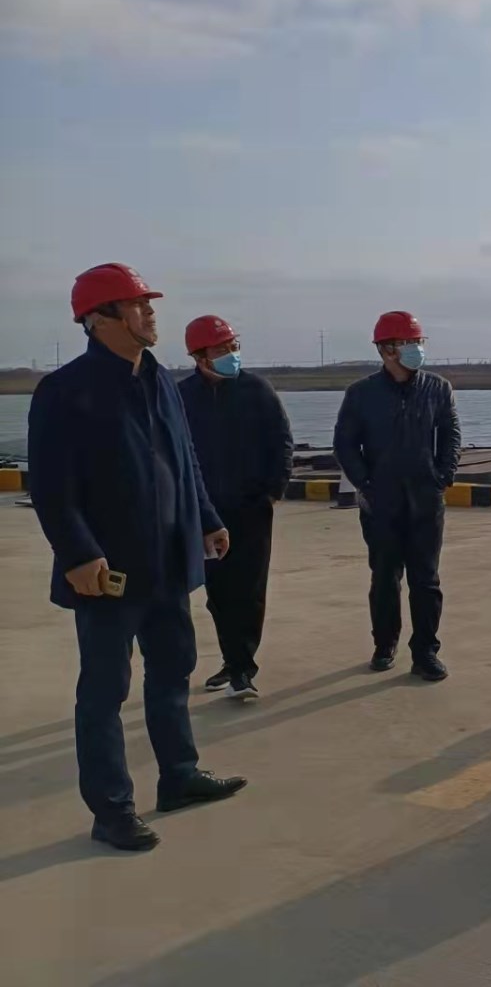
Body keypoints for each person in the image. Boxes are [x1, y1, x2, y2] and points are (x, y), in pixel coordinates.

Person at [27, 263, 247, 851]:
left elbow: (184, 458)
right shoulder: (64, 390)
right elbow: (50, 486)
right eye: (137, 304)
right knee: (105, 689)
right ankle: (112, 809)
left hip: (168, 560)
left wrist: (207, 518)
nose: (150, 313)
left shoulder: (160, 381)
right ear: (100, 319)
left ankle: (179, 776)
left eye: (149, 303)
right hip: (108, 571)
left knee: (173, 669)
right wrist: (78, 554)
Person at [333, 311, 460, 682]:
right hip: (381, 502)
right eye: (409, 343)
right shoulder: (361, 394)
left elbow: (450, 433)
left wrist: (444, 475)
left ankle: (426, 652)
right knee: (385, 577)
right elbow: (345, 444)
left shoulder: (438, 388)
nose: (416, 349)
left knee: (426, 580)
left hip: (426, 499)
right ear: (387, 350)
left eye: (419, 342)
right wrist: (365, 484)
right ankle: (384, 644)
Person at [178, 315, 294, 701]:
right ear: (199, 357)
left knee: (250, 588)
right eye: (222, 349)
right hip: (206, 513)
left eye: (233, 346)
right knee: (218, 592)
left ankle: (243, 668)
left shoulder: (257, 390)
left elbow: (281, 440)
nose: (231, 354)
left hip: (251, 509)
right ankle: (233, 661)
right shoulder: (182, 397)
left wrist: (272, 490)